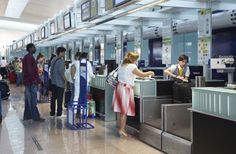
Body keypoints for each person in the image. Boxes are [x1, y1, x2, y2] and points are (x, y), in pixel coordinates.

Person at [112, 52, 155, 137]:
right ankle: (122, 129)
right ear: (133, 59)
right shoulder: (132, 66)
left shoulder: (122, 65)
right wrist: (150, 72)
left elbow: (131, 75)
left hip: (119, 88)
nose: (137, 61)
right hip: (126, 89)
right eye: (136, 59)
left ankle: (120, 127)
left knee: (120, 110)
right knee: (124, 110)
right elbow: (142, 74)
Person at [22, 43, 45, 121]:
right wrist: (35, 81)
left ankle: (27, 115)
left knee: (28, 99)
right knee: (33, 100)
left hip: (28, 82)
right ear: (30, 48)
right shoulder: (29, 58)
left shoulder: (26, 57)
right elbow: (30, 71)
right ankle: (36, 117)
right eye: (34, 47)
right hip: (31, 82)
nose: (35, 49)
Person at [50, 47, 66, 117]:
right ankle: (59, 113)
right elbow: (61, 72)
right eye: (64, 52)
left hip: (53, 82)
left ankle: (52, 112)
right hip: (59, 83)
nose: (64, 54)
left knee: (53, 98)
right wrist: (65, 80)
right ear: (61, 52)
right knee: (60, 98)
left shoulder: (53, 59)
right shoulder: (61, 61)